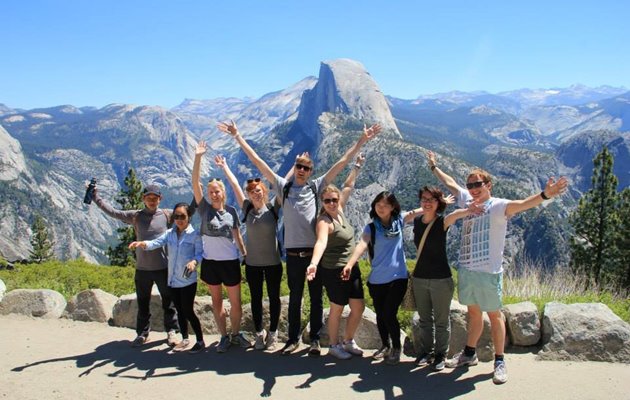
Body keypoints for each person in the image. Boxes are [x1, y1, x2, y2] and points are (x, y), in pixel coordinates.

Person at [218, 120, 381, 356]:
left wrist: (361, 141)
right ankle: (293, 339)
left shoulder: (316, 187)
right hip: (293, 255)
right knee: (295, 298)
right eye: (299, 166)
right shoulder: (283, 187)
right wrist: (237, 136)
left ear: (311, 172)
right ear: (294, 168)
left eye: (306, 167)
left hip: (315, 253)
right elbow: (258, 162)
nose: (302, 170)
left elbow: (341, 163)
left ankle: (314, 339)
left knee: (316, 299)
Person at [427, 150, 568, 384]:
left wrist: (546, 194)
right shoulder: (467, 201)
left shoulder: (499, 206)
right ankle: (469, 354)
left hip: (489, 273)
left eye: (478, 184)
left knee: (494, 316)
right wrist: (434, 167)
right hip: (468, 269)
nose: (473, 188)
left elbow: (524, 204)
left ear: (488, 185)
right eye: (470, 184)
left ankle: (500, 360)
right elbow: (450, 183)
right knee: (473, 313)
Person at [342, 191, 427, 365]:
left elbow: (420, 210)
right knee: (381, 315)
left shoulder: (400, 220)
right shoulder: (371, 228)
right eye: (378, 204)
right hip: (376, 280)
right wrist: (350, 264)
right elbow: (362, 245)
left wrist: (441, 202)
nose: (381, 208)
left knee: (389, 313)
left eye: (386, 205)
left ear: (393, 207)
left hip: (398, 277)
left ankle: (396, 347)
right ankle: (385, 345)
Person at [92, 184, 179, 347]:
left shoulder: (167, 215)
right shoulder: (136, 216)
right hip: (142, 269)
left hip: (163, 267)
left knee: (169, 301)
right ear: (143, 199)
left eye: (155, 198)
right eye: (149, 198)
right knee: (143, 302)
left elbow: (188, 212)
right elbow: (113, 212)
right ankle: (143, 334)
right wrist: (96, 197)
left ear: (160, 199)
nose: (152, 201)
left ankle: (172, 331)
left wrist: (198, 192)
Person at [215, 154, 283, 351]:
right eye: (252, 191)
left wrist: (296, 167)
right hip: (252, 264)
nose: (256, 193)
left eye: (259, 190)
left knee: (273, 297)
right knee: (255, 299)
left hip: (273, 263)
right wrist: (225, 166)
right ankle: (260, 333)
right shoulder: (246, 208)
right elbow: (235, 184)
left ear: (264, 191)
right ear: (249, 194)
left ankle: (273, 332)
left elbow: (280, 184)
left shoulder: (273, 208)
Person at [305, 155, 366, 360]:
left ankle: (348, 341)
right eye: (327, 200)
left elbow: (348, 185)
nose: (332, 203)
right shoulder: (324, 221)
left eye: (334, 199)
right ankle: (333, 344)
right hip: (334, 271)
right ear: (322, 202)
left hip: (352, 267)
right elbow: (321, 243)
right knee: (337, 308)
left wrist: (356, 167)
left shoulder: (339, 210)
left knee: (358, 306)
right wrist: (313, 264)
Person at [412, 186, 479, 371]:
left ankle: (440, 354)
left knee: (441, 321)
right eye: (424, 199)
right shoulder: (417, 222)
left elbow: (456, 215)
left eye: (431, 200)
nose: (426, 202)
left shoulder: (443, 222)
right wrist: (439, 202)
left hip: (441, 279)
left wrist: (469, 210)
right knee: (425, 319)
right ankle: (426, 352)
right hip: (419, 278)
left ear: (437, 204)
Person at [192, 144, 249, 353]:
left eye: (216, 191)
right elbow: (194, 184)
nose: (213, 195)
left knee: (236, 302)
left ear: (223, 193)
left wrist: (244, 254)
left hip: (230, 262)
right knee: (216, 302)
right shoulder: (204, 209)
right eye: (210, 192)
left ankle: (235, 334)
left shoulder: (232, 212)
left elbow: (237, 236)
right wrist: (198, 157)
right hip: (211, 263)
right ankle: (224, 336)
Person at [129, 202, 205, 353]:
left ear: (189, 217)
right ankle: (185, 339)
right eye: (176, 216)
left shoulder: (194, 234)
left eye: (182, 216)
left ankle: (200, 340)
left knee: (188, 311)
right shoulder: (170, 233)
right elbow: (156, 242)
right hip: (173, 280)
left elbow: (200, 253)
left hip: (188, 280)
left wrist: (194, 262)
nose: (179, 219)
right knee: (179, 310)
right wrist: (142, 243)